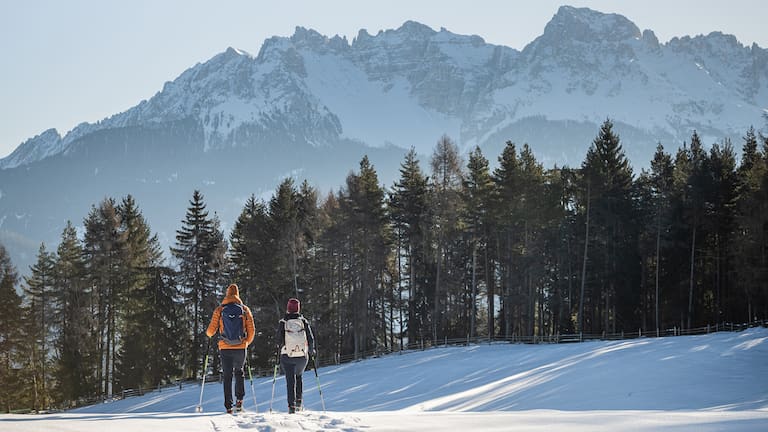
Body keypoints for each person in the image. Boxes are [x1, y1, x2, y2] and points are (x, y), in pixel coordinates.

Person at [206, 283, 255, 414]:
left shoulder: (220, 310)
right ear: (237, 294)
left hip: (225, 347)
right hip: (240, 347)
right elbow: (251, 330)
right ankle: (239, 401)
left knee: (227, 376)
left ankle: (228, 406)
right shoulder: (245, 309)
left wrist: (210, 334)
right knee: (239, 372)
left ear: (227, 294)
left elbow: (211, 331)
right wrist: (246, 342)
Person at [276, 297, 315, 413]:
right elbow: (311, 339)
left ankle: (291, 406)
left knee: (290, 380)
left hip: (287, 356)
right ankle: (299, 402)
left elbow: (278, 340)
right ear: (298, 309)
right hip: (302, 357)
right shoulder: (303, 321)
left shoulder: (283, 322)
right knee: (298, 376)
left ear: (288, 309)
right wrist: (311, 351)